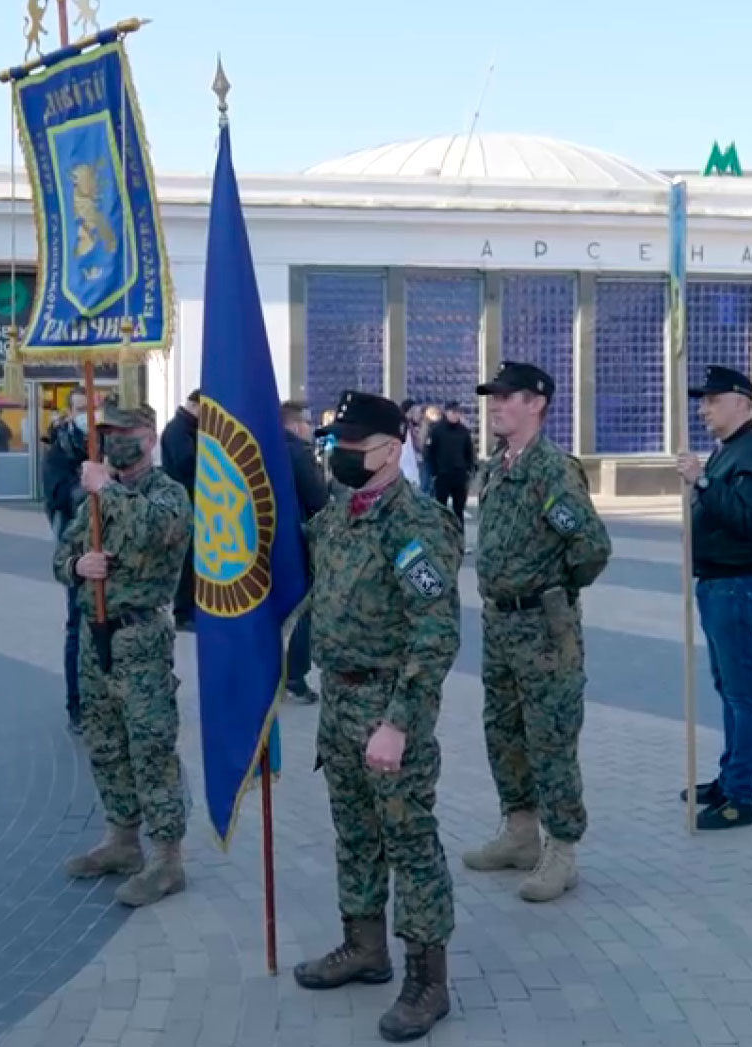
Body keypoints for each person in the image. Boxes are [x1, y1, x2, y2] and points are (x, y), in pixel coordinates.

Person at [291, 389, 461, 1042]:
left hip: (389, 707)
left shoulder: (414, 527)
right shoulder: (339, 515)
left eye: (354, 448)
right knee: (355, 833)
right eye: (336, 446)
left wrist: (399, 722)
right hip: (339, 700)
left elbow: (435, 633)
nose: (340, 458)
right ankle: (364, 945)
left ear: (391, 451)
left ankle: (427, 979)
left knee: (409, 841)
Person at [460, 362, 610, 902]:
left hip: (543, 629)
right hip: (500, 623)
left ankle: (562, 849)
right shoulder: (496, 467)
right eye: (493, 397)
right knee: (503, 731)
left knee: (550, 736)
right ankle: (520, 833)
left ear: (537, 403)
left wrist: (553, 589)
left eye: (508, 397)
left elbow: (591, 547)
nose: (496, 405)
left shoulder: (552, 471)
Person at [53, 403, 193, 908]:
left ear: (150, 438)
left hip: (141, 637)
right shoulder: (92, 497)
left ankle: (167, 858)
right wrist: (77, 564)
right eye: (107, 433)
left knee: (151, 747)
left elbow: (155, 532)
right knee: (105, 742)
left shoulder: (167, 495)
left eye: (125, 432)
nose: (114, 441)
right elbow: (59, 557)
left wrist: (106, 489)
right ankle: (122, 840)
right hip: (96, 637)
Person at [676, 365, 752, 830]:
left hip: (737, 585)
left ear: (741, 402)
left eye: (712, 399)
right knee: (728, 689)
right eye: (702, 401)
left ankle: (740, 795)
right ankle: (729, 776)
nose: (703, 409)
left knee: (743, 694)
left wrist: (703, 482)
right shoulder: (730, 450)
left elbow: (749, 519)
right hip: (718, 584)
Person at [43, 389, 90, 731]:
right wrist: (85, 488)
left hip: (110, 545)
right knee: (76, 624)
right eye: (80, 408)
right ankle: (76, 704)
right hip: (75, 546)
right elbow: (58, 495)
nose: (87, 412)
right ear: (69, 412)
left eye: (91, 406)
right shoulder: (59, 450)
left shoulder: (105, 443)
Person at [281, 400, 330, 704]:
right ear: (297, 425)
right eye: (308, 423)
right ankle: (295, 675)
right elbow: (318, 498)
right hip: (296, 540)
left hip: (263, 543)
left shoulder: (261, 448)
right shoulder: (299, 453)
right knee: (301, 610)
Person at [160, 389, 201, 631]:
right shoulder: (179, 430)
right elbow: (186, 463)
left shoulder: (186, 428)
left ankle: (189, 607)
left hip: (189, 499)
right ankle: (183, 611)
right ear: (196, 405)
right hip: (184, 500)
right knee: (186, 559)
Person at [424, 402, 475, 523]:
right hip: (442, 474)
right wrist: (434, 472)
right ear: (446, 412)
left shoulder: (463, 431)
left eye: (458, 412)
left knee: (459, 509)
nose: (455, 415)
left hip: (459, 474)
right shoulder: (436, 430)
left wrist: (468, 468)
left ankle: (459, 536)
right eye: (453, 412)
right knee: (440, 508)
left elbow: (469, 451)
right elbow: (430, 452)